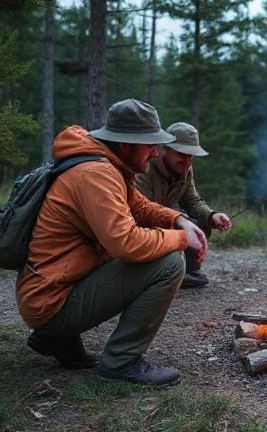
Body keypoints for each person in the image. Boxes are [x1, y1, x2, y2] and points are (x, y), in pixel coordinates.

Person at [16, 99, 208, 386]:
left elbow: (141, 208)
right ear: (126, 145)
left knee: (150, 250)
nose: (156, 151)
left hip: (54, 289)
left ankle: (58, 340)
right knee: (169, 262)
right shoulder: (96, 174)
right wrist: (181, 239)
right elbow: (127, 243)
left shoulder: (105, 166)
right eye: (149, 144)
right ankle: (121, 362)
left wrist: (178, 220)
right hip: (52, 301)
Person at [135, 122, 232, 288]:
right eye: (181, 154)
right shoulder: (146, 167)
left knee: (201, 222)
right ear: (165, 149)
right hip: (142, 227)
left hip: (164, 220)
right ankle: (153, 272)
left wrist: (212, 215)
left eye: (191, 156)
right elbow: (141, 211)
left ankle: (189, 270)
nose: (187, 161)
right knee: (184, 224)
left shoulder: (185, 169)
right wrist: (178, 220)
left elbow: (192, 201)